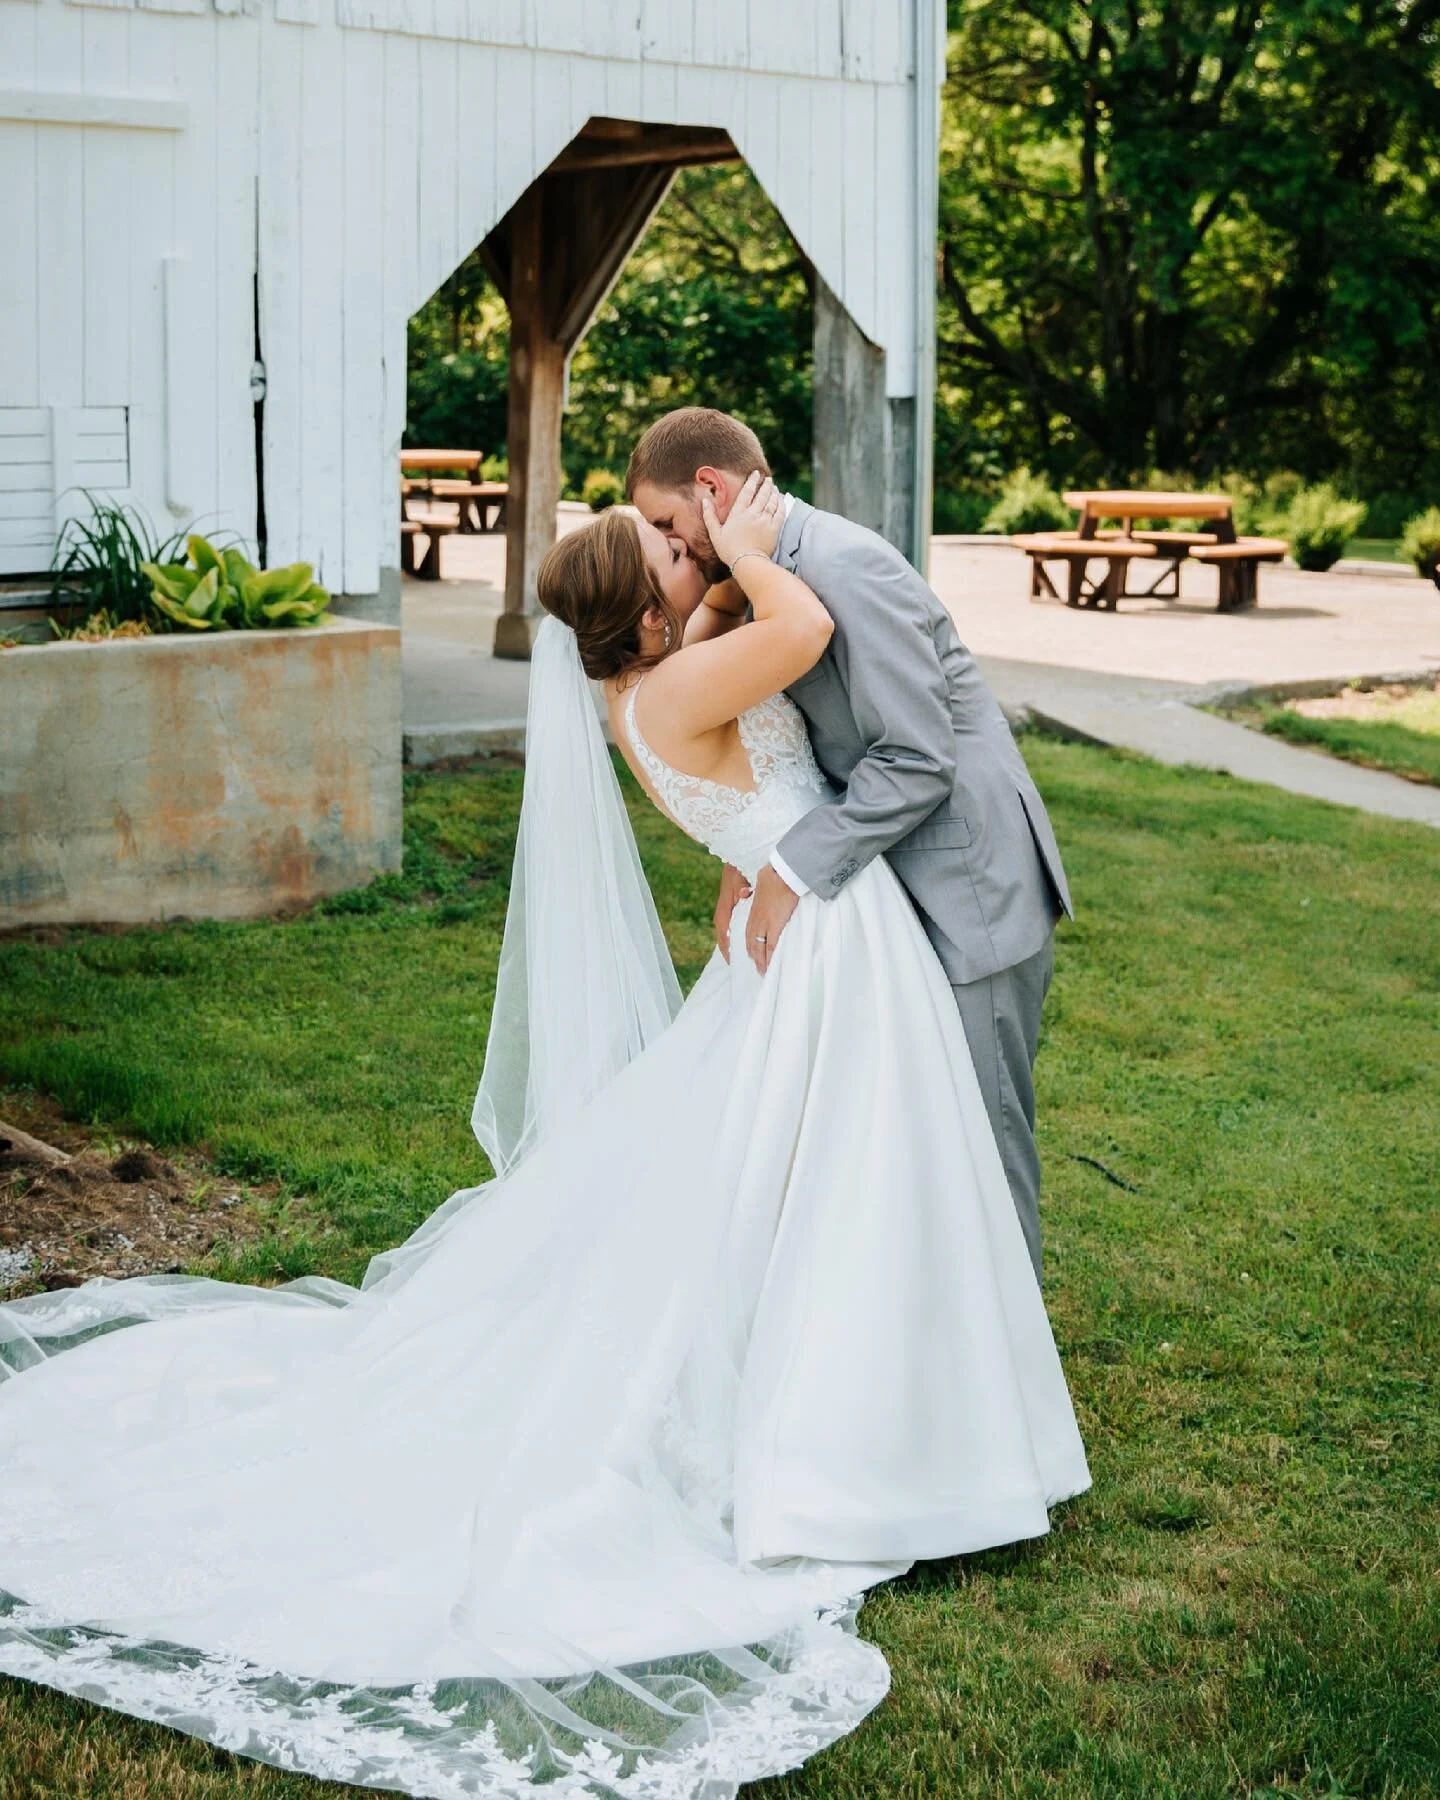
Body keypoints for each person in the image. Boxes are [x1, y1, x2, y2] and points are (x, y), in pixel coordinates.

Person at [0, 474, 1088, 1800]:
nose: (690, 560)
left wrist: (755, 862)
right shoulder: (681, 684)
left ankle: (916, 1398)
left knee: (825, 1185)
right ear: (646, 606)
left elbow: (757, 761)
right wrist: (756, 544)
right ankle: (866, 1442)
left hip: (814, 938)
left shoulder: (659, 683)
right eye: (669, 557)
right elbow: (800, 637)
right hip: (829, 949)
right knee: (841, 1182)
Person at [629, 409, 1072, 1281]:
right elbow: (783, 741)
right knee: (918, 1140)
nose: (669, 547)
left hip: (968, 884)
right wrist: (743, 857)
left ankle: (1009, 1374)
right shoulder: (766, 575)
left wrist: (790, 866)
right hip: (894, 886)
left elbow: (917, 756)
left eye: (667, 525)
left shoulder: (843, 565)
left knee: (980, 1137)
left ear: (710, 491)